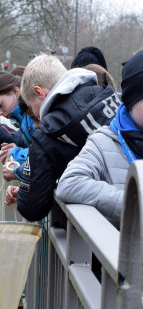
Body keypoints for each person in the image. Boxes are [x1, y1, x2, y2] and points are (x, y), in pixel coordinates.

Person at [4, 53, 120, 221]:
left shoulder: (48, 132)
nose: (34, 114)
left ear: (39, 92)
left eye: (30, 106)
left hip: (100, 231)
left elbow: (31, 207)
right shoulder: (107, 95)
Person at [57, 50, 143, 229]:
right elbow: (70, 183)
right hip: (124, 254)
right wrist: (131, 204)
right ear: (131, 100)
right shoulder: (103, 142)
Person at [0, 71, 35, 165]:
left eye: (0, 105)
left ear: (15, 91)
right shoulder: (24, 118)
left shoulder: (33, 114)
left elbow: (42, 155)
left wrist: (14, 154)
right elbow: (23, 142)